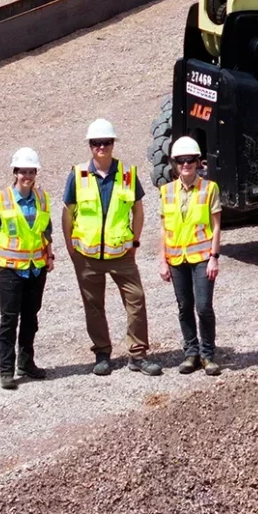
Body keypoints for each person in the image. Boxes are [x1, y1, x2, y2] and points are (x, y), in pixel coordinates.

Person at [63, 119, 158, 376]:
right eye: (96, 143)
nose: (101, 147)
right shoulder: (78, 175)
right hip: (87, 255)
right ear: (90, 145)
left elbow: (138, 210)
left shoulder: (128, 174)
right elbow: (68, 214)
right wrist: (72, 250)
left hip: (121, 254)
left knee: (136, 300)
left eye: (106, 142)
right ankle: (102, 354)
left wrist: (135, 242)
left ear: (113, 144)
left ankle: (138, 355)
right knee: (93, 305)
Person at [0, 146, 52, 390]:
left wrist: (49, 255)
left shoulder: (42, 198)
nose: (27, 176)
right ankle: (6, 370)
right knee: (9, 320)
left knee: (31, 318)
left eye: (31, 171)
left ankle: (26, 363)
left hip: (35, 268)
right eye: (23, 171)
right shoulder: (1, 199)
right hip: (9, 269)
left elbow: (46, 231)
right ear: (15, 172)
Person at [158, 135, 222, 374]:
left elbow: (216, 225)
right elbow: (164, 228)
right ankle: (191, 353)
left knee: (203, 307)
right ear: (174, 163)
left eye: (190, 160)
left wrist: (214, 257)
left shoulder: (209, 188)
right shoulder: (166, 191)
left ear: (198, 162)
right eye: (181, 160)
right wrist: (162, 260)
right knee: (184, 307)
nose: (186, 164)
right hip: (176, 258)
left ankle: (207, 354)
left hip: (202, 257)